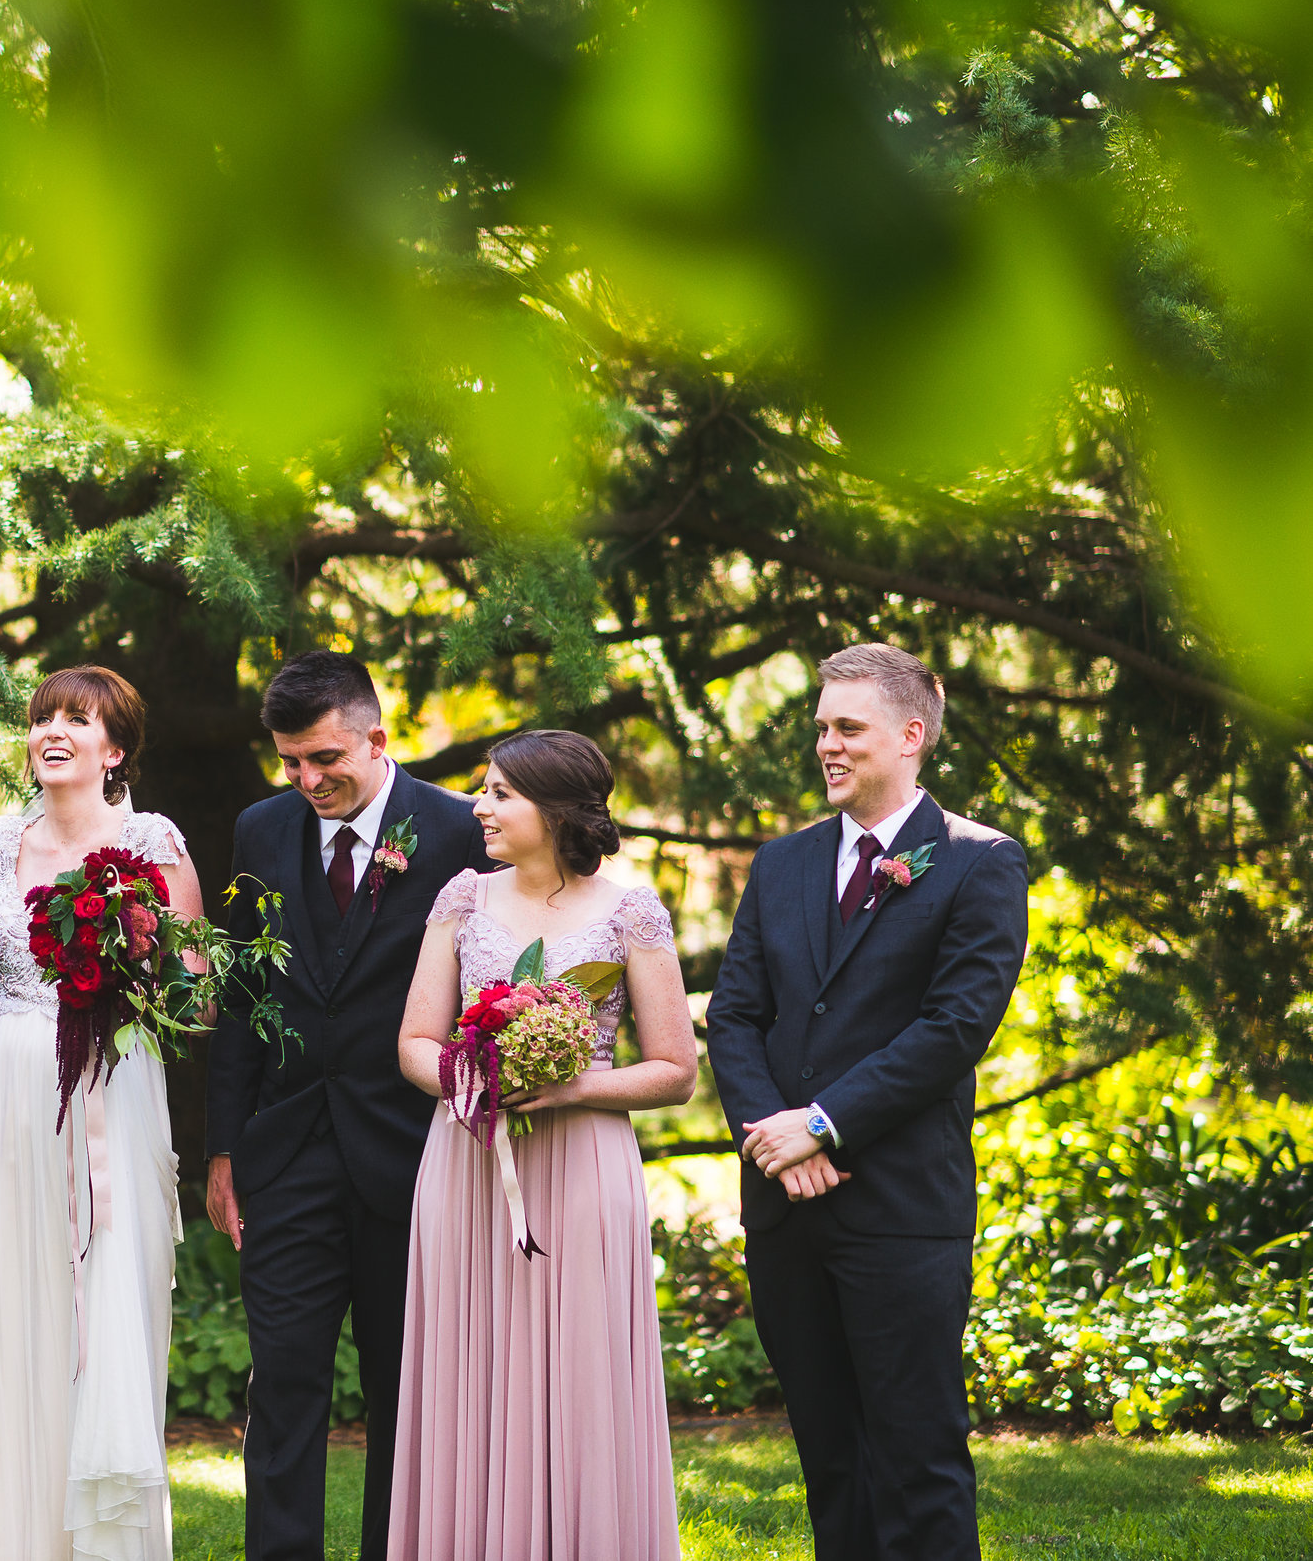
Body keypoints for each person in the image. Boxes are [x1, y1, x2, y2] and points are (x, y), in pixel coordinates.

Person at [705, 643, 1029, 1561]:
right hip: (784, 1210)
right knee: (829, 1458)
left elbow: (952, 1029)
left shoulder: (980, 863)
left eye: (848, 728)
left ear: (911, 735)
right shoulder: (782, 865)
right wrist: (777, 1140)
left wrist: (822, 1124)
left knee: (917, 1455)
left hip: (898, 1207)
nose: (827, 746)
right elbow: (734, 1017)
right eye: (821, 728)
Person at [0, 666, 205, 1561]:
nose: (54, 731)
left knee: (100, 1300)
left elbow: (195, 996)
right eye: (43, 718)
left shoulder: (154, 841)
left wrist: (127, 970)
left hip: (108, 1091)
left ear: (114, 751)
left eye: (78, 720)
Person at [203, 650, 487, 1561]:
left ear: (377, 736)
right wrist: (223, 1151)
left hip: (413, 1148)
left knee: (404, 1386)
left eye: (325, 759)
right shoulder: (260, 829)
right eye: (290, 761)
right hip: (283, 1154)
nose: (307, 780)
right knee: (283, 1384)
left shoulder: (457, 831)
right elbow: (244, 996)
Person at [390, 730, 698, 1558]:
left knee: (581, 1370)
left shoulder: (631, 912)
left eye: (499, 794)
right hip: (469, 1158)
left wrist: (569, 1086)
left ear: (555, 811)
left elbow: (675, 1069)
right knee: (471, 1369)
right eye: (483, 791)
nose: (480, 808)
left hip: (584, 1163)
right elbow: (415, 1040)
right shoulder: (463, 898)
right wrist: (470, 1079)